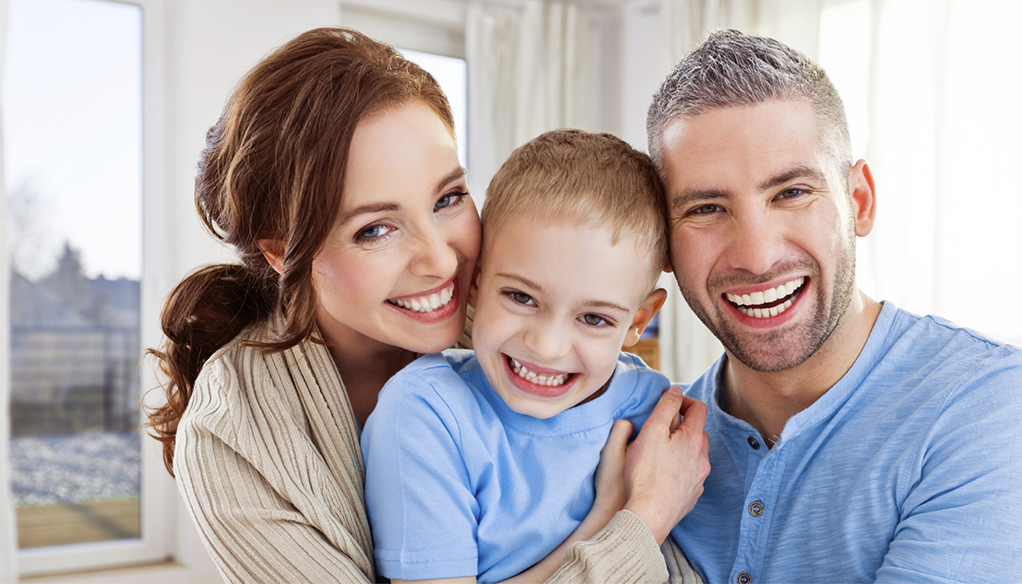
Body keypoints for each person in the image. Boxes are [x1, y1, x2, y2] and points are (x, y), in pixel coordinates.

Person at [146, 28, 707, 583]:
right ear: (281, 253)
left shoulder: (518, 328)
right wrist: (628, 521)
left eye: (448, 198)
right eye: (376, 229)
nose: (441, 260)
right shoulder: (233, 436)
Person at [650, 30, 1022, 583]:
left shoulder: (991, 403)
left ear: (859, 203)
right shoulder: (643, 441)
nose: (756, 257)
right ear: (663, 241)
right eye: (707, 208)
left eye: (791, 193)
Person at [361, 129, 704, 583]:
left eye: (594, 319)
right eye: (521, 297)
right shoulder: (427, 412)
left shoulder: (658, 413)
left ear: (637, 323)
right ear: (476, 283)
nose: (547, 347)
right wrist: (613, 518)